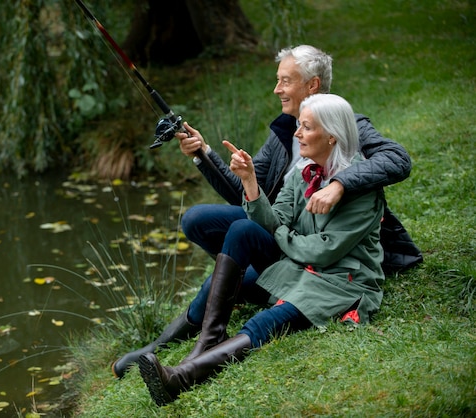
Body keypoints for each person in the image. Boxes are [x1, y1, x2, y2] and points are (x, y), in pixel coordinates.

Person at [111, 44, 420, 379]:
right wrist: (204, 153)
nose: (276, 89)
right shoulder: (285, 133)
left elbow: (398, 160)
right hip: (284, 228)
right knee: (204, 223)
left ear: (311, 85)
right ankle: (167, 344)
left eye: (285, 81)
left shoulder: (347, 126)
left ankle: (233, 302)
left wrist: (340, 184)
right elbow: (241, 191)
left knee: (244, 248)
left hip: (326, 251)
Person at [138, 93, 386, 406]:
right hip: (300, 265)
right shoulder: (303, 170)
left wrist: (283, 235)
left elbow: (326, 251)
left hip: (339, 280)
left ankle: (178, 379)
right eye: (298, 126)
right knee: (242, 228)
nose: (297, 134)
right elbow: (274, 221)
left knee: (265, 322)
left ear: (332, 137)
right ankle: (209, 338)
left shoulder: (361, 189)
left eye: (306, 128)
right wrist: (250, 182)